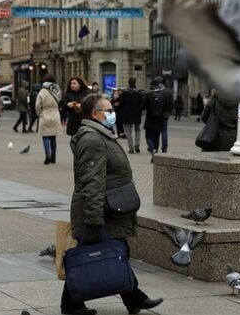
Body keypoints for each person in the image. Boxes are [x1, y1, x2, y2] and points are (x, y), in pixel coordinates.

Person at [60, 93, 163, 315]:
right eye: (108, 111)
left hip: (110, 209)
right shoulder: (92, 139)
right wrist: (94, 219)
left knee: (116, 251)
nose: (112, 114)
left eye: (112, 111)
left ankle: (134, 298)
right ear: (94, 114)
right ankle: (71, 304)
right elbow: (92, 181)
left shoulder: (101, 135)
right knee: (89, 256)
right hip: (100, 210)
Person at [35, 74, 62, 165]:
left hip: (45, 114)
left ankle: (47, 154)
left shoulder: (42, 91)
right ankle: (53, 157)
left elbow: (38, 104)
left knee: (45, 136)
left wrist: (39, 113)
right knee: (53, 137)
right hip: (55, 114)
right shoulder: (57, 89)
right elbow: (60, 102)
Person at [142, 80, 167, 162]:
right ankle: (155, 151)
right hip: (160, 120)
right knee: (156, 137)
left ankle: (152, 149)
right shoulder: (162, 95)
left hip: (150, 119)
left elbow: (143, 106)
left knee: (148, 137)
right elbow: (165, 107)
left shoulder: (149, 95)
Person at [121, 77, 143, 154]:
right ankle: (137, 145)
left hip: (127, 114)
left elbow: (121, 103)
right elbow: (142, 103)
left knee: (128, 132)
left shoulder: (125, 92)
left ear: (128, 83)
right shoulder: (139, 92)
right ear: (135, 83)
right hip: (137, 114)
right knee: (137, 130)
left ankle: (131, 148)